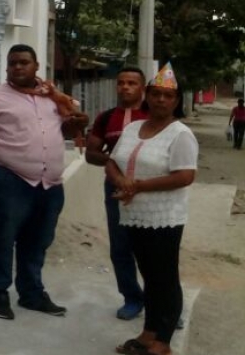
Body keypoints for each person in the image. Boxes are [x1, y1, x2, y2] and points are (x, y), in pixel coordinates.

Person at [0, 44, 88, 320]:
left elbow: (68, 128)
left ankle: (31, 293)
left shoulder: (52, 97)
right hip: (8, 177)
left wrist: (78, 123)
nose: (18, 67)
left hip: (49, 184)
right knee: (2, 236)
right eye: (12, 63)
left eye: (24, 62)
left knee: (38, 241)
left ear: (37, 66)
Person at [106, 63, 197, 355]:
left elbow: (185, 176)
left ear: (176, 101)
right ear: (148, 96)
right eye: (155, 94)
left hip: (163, 218)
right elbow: (112, 161)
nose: (160, 100)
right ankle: (148, 333)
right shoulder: (133, 128)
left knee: (164, 277)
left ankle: (163, 341)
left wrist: (139, 186)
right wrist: (120, 180)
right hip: (133, 215)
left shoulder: (180, 134)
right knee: (149, 274)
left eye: (167, 96)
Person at [85, 66, 150, 321]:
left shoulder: (152, 115)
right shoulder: (106, 117)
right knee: (121, 247)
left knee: (152, 247)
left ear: (142, 88)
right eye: (121, 83)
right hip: (114, 188)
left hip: (148, 189)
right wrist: (115, 163)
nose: (125, 87)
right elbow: (91, 153)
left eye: (132, 83)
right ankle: (132, 298)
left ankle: (162, 304)